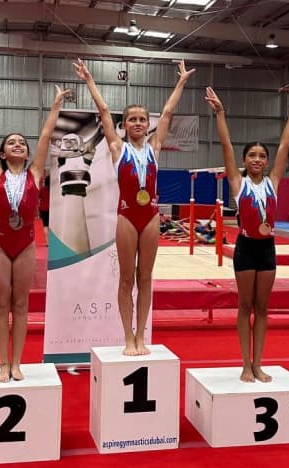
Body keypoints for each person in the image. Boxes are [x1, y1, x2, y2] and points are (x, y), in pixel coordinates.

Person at [74, 58, 195, 356]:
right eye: (133, 120)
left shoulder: (154, 148)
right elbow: (103, 111)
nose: (138, 123)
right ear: (124, 125)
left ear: (147, 124)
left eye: (142, 119)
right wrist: (89, 80)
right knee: (127, 278)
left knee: (146, 277)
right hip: (127, 216)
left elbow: (167, 112)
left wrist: (181, 81)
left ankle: (141, 335)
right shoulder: (118, 148)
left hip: (151, 216)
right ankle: (127, 337)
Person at [0, 81, 69, 382]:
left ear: (26, 154)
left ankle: (17, 362)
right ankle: (2, 363)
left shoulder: (35, 174)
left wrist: (56, 107)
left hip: (25, 245)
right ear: (2, 152)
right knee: (0, 304)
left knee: (21, 304)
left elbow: (47, 136)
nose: (18, 145)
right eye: (11, 142)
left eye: (22, 143)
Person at [205, 86, 289, 383]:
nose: (258, 159)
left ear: (266, 161)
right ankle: (245, 363)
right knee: (245, 305)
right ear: (245, 159)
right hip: (246, 248)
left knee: (263, 307)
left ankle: (259, 363)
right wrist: (221, 113)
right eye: (252, 155)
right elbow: (225, 144)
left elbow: (286, 146)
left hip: (267, 249)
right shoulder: (238, 184)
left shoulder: (274, 181)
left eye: (262, 155)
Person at [39, 173, 50, 245]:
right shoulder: (54, 190)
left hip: (43, 209)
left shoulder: (42, 189)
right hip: (52, 209)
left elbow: (38, 197)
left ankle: (47, 241)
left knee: (45, 225)